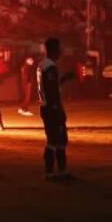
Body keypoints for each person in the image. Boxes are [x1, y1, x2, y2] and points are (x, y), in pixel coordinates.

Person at [37, 37, 72, 179]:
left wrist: (63, 79)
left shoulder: (42, 65)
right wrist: (57, 108)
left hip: (46, 107)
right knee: (57, 139)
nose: (61, 51)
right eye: (59, 48)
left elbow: (50, 85)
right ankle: (53, 171)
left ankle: (56, 171)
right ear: (53, 50)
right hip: (52, 108)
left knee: (56, 139)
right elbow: (51, 90)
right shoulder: (50, 66)